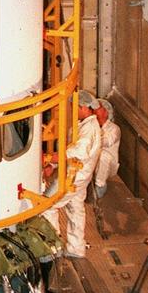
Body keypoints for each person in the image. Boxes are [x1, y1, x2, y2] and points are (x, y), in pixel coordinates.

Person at [50, 91, 102, 258]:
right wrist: (53, 163)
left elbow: (79, 151)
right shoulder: (85, 125)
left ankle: (54, 249)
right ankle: (76, 248)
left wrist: (52, 159)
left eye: (74, 108)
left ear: (83, 107)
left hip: (74, 176)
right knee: (75, 210)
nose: (73, 111)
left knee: (48, 206)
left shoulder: (89, 129)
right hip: (81, 177)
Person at [94, 98, 121, 198]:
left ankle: (100, 186)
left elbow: (107, 142)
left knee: (103, 155)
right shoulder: (90, 125)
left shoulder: (114, 129)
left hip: (108, 166)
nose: (95, 109)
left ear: (106, 112)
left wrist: (89, 141)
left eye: (99, 107)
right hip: (92, 163)